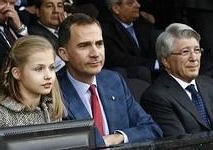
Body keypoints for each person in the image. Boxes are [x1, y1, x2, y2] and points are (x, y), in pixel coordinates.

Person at [57, 13, 162, 147]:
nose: (95, 53)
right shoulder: (53, 90)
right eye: (84, 46)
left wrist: (118, 137)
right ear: (64, 53)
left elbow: (152, 129)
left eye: (99, 44)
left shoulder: (113, 80)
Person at [0, 35, 66, 150]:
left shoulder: (51, 110)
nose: (48, 75)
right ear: (17, 73)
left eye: (52, 68)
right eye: (38, 69)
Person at [140, 23, 213, 137]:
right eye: (185, 52)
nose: (194, 58)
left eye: (197, 50)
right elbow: (180, 143)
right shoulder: (155, 97)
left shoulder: (209, 84)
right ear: (165, 61)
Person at [98, 0, 159, 83]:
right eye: (130, 3)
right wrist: (153, 64)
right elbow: (118, 59)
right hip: (129, 75)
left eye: (137, 1)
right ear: (116, 8)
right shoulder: (105, 29)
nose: (138, 5)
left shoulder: (141, 21)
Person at [29, 0, 66, 72]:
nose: (56, 11)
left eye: (60, 6)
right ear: (37, 11)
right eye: (49, 6)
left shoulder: (66, 28)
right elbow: (60, 66)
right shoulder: (34, 34)